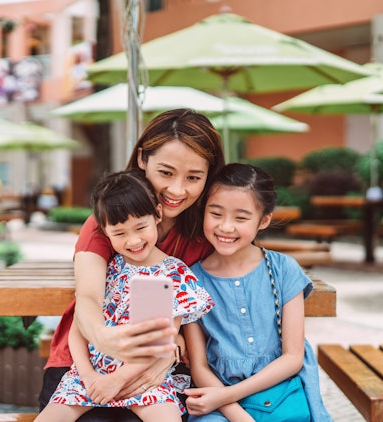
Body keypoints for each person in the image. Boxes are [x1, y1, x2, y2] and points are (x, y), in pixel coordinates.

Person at [39, 108, 225, 421]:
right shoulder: (105, 223)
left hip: (154, 368)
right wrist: (104, 338)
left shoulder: (201, 234)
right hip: (85, 360)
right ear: (142, 159)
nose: (177, 190)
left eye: (193, 177)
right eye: (166, 173)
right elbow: (88, 299)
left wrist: (171, 345)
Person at [182, 163, 332, 421]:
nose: (226, 227)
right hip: (217, 403)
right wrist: (235, 413)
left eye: (240, 218)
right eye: (216, 213)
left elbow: (293, 357)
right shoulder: (191, 279)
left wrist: (227, 397)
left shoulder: (283, 269)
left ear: (264, 220)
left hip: (279, 393)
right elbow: (199, 366)